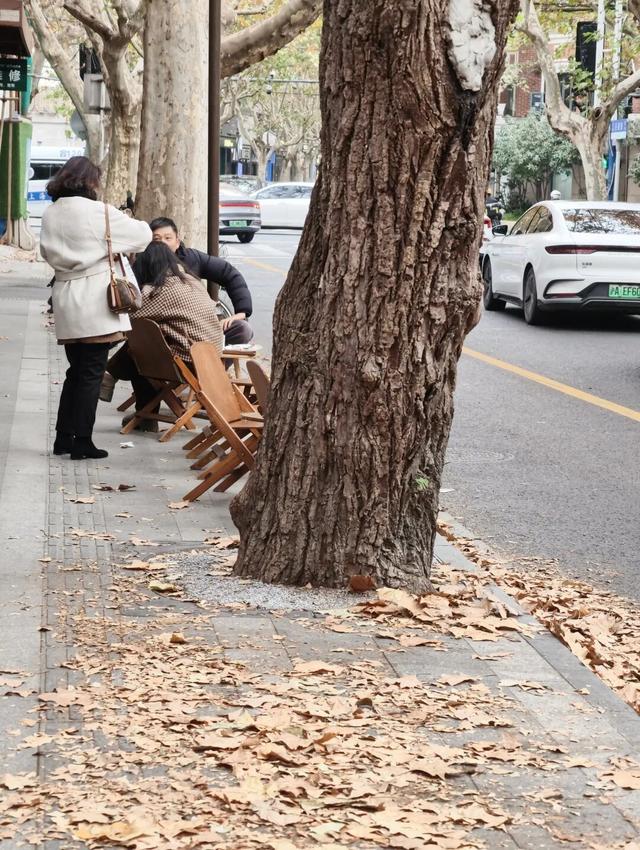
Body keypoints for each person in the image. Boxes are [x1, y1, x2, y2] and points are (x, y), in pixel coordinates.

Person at [40, 156, 152, 460]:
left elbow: (44, 252)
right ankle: (82, 441)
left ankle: (63, 438)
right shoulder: (100, 212)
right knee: (91, 373)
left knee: (76, 371)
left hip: (65, 297)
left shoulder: (50, 213)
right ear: (91, 181)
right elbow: (143, 235)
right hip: (94, 300)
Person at [106, 241, 224, 431]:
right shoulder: (192, 280)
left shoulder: (160, 289)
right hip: (212, 358)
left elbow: (130, 318)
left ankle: (142, 413)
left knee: (140, 353)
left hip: (190, 362)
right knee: (146, 346)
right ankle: (111, 377)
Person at [137, 217, 253, 345]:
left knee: (243, 329)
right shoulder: (143, 265)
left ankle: (213, 364)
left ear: (177, 241)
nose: (163, 243)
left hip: (198, 332)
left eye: (168, 238)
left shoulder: (192, 258)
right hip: (166, 335)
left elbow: (229, 273)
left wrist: (242, 312)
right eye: (157, 239)